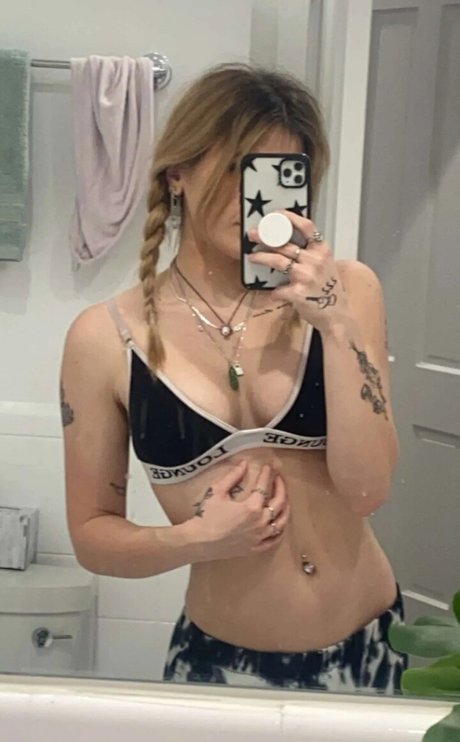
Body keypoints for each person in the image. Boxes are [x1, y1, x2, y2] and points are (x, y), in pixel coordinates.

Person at [60, 63, 407, 694]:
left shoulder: (349, 292)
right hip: (219, 668)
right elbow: (92, 539)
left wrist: (336, 327)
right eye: (237, 168)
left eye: (278, 176)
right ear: (179, 171)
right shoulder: (103, 339)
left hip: (371, 651)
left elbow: (367, 491)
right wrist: (197, 540)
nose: (258, 200)